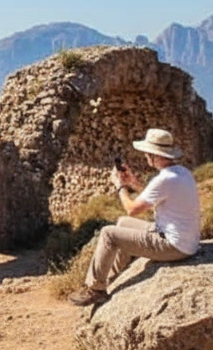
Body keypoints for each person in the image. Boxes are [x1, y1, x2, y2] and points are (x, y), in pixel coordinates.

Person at [69, 128, 201, 306]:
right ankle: (112, 277)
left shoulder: (164, 179)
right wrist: (132, 182)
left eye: (147, 154)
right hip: (186, 242)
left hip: (173, 247)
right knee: (123, 224)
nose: (145, 157)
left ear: (154, 155)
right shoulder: (182, 172)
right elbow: (155, 196)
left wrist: (120, 186)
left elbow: (131, 209)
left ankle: (95, 289)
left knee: (109, 234)